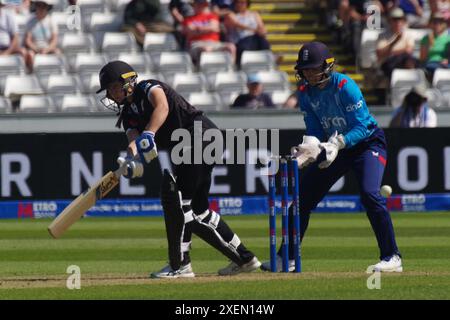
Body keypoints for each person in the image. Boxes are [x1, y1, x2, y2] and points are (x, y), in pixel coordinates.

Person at [96, 60, 261, 278]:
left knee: (179, 203)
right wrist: (131, 159)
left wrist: (150, 133)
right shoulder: (127, 114)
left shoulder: (148, 87)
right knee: (198, 210)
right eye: (109, 90)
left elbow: (162, 107)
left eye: (114, 87)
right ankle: (245, 259)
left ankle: (180, 265)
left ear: (128, 81)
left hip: (199, 135)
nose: (112, 94)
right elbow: (133, 140)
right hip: (188, 145)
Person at [261, 42, 403, 273]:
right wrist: (311, 147)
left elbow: (362, 126)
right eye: (304, 69)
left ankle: (392, 257)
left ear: (327, 66)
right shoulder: (305, 93)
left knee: (370, 195)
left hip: (367, 144)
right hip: (333, 147)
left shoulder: (345, 86)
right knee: (301, 201)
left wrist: (338, 142)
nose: (307, 73)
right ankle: (287, 258)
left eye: (312, 68)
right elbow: (315, 128)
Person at [182, 0, 236, 65]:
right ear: (194, 5)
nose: (201, 6)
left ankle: (231, 68)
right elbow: (190, 31)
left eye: (204, 5)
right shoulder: (188, 19)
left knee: (231, 47)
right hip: (196, 44)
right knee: (206, 49)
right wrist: (209, 29)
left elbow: (215, 28)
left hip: (214, 43)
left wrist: (198, 29)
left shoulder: (212, 16)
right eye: (199, 4)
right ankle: (203, 70)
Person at [224, 0, 270, 67]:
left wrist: (262, 32)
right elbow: (238, 25)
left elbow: (261, 26)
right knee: (251, 40)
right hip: (240, 41)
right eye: (238, 2)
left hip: (254, 39)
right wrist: (254, 30)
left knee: (263, 41)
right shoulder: (231, 15)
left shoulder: (254, 14)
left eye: (242, 2)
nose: (240, 4)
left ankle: (270, 59)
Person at [376, 7, 418, 79]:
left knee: (410, 60)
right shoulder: (383, 35)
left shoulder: (408, 33)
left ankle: (411, 83)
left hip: (403, 60)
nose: (398, 22)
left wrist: (390, 51)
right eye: (395, 19)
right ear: (390, 21)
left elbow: (409, 50)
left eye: (400, 19)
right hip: (388, 63)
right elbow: (380, 54)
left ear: (403, 21)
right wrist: (395, 42)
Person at [23, 0, 60, 72]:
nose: (41, 8)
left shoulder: (51, 21)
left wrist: (47, 50)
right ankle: (32, 73)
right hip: (35, 48)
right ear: (35, 6)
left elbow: (54, 40)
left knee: (57, 53)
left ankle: (55, 73)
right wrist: (36, 49)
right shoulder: (30, 21)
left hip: (48, 48)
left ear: (46, 7)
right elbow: (28, 40)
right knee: (30, 54)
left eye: (43, 6)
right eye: (38, 5)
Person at [420, 12, 450, 79]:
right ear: (430, 24)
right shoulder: (426, 38)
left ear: (444, 24)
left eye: (440, 22)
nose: (437, 25)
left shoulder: (448, 38)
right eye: (434, 22)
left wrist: (447, 60)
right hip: (431, 65)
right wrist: (428, 46)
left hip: (445, 65)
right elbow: (422, 58)